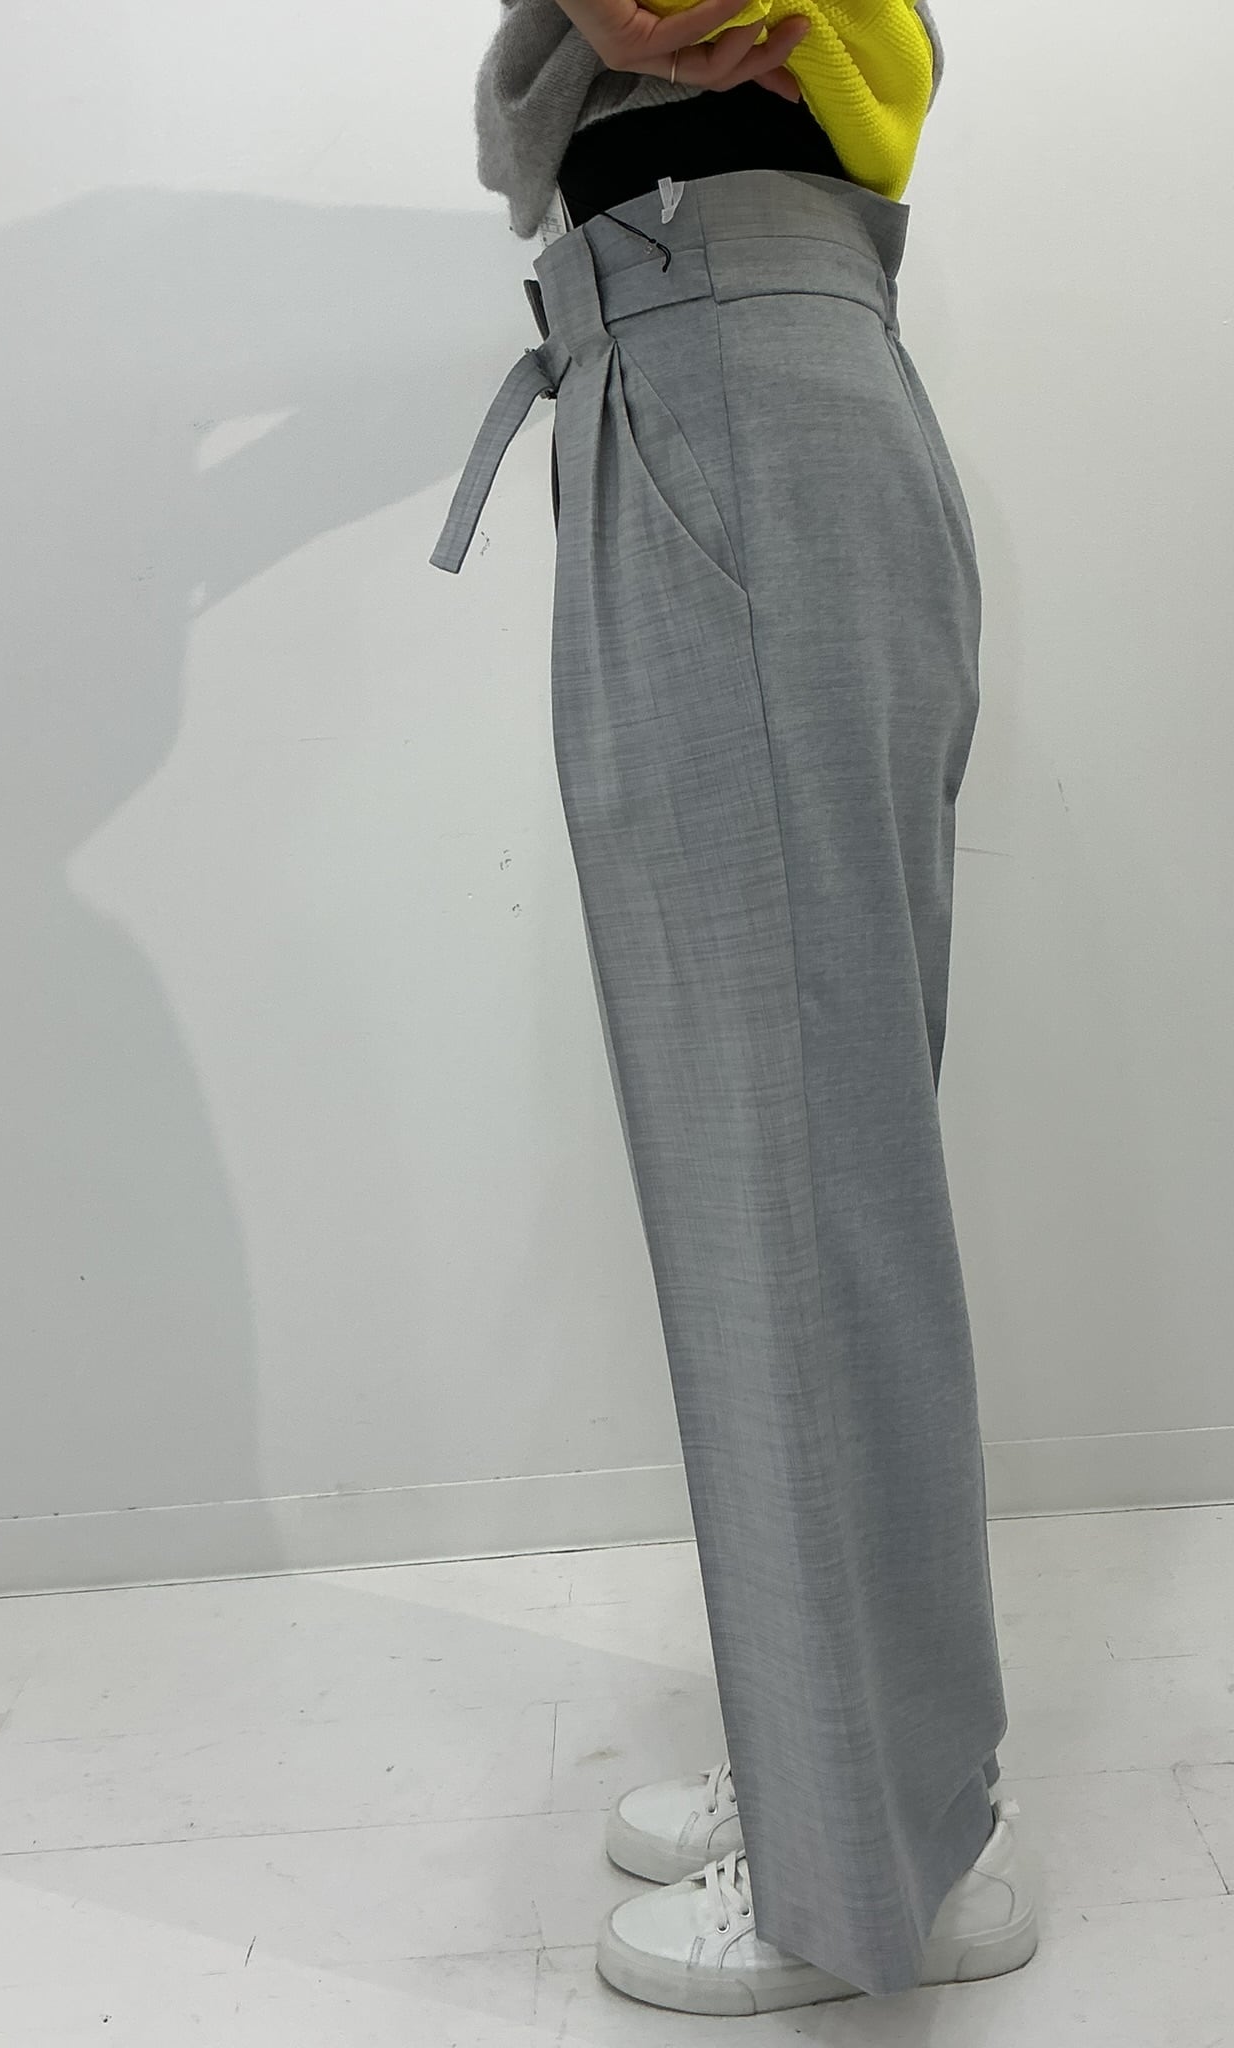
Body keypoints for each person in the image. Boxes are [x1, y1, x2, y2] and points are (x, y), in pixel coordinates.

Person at [435, 0, 1039, 2015]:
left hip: (732, 371)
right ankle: (844, 1767)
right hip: (702, 360)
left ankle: (874, 1872)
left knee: (796, 1179)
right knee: (783, 1167)